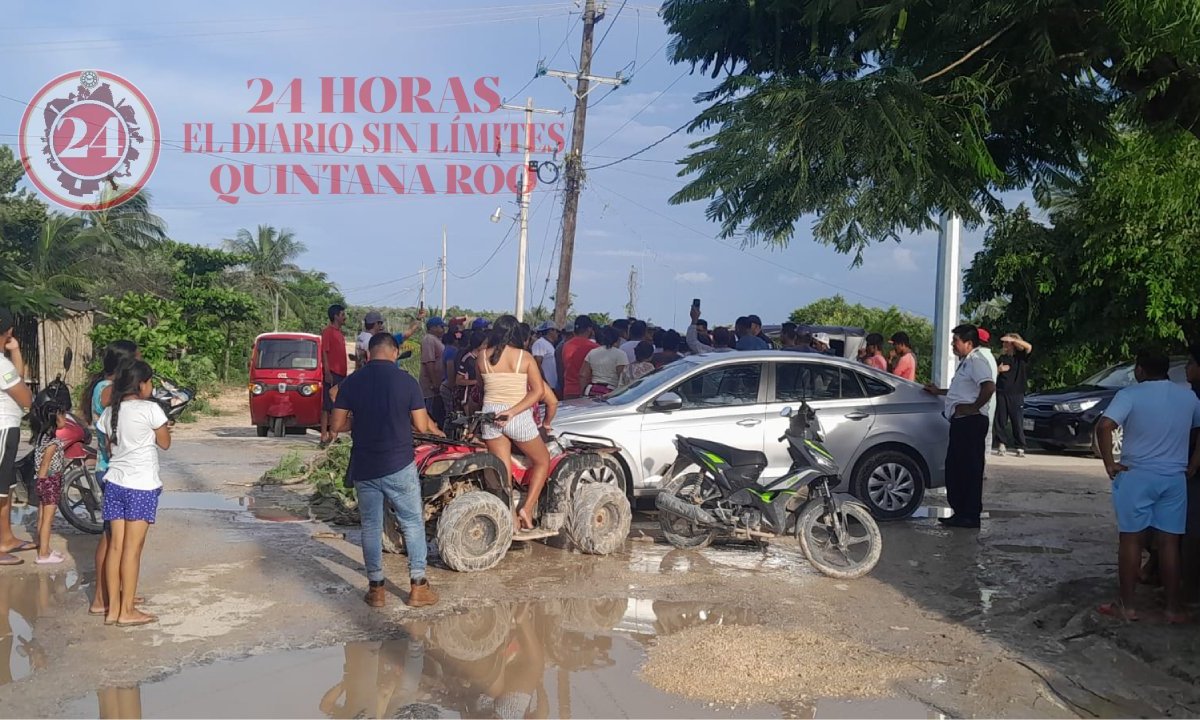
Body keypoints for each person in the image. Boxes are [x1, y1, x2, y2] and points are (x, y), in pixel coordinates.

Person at [331, 333, 444, 609]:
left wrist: (359, 421)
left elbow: (337, 425)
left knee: (370, 526)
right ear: (394, 352)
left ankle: (377, 590)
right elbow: (420, 425)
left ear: (369, 353)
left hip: (366, 466)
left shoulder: (352, 382)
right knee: (412, 522)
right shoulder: (406, 381)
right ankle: (418, 587)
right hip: (399, 465)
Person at [1094, 349, 1199, 623]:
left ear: (1140, 370)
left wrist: (1109, 463)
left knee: (1131, 539)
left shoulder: (1130, 395)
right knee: (1170, 543)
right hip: (1174, 478)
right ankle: (1173, 609)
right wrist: (1194, 464)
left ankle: (1127, 606)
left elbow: (1104, 426)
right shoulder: (1187, 396)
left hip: (1137, 474)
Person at [99, 360, 170, 627]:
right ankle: (127, 610)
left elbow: (108, 448)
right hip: (141, 486)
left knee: (116, 547)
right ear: (141, 384)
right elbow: (165, 443)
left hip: (114, 483)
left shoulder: (110, 412)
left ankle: (113, 609)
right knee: (133, 549)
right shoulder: (151, 409)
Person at [82, 339, 141, 613]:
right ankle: (100, 598)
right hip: (111, 469)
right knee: (110, 538)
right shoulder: (107, 390)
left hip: (114, 468)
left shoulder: (104, 387)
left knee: (115, 537)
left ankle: (115, 592)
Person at [479, 316, 552, 531]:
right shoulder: (525, 357)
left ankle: (510, 517)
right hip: (517, 415)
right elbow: (538, 392)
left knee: (503, 471)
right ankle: (527, 509)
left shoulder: (482, 357)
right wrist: (512, 411)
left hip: (490, 416)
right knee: (542, 460)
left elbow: (481, 391)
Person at [923, 325, 996, 529]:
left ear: (968, 343)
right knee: (956, 468)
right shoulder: (965, 363)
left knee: (969, 469)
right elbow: (962, 391)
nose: (953, 345)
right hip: (960, 421)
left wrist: (973, 407)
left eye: (956, 341)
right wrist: (939, 392)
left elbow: (989, 387)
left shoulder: (976, 361)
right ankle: (960, 512)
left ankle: (970, 514)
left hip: (971, 422)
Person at [0, 309, 35, 566]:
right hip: (2, 429)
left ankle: (6, 538)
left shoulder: (4, 362)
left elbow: (16, 379)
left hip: (7, 428)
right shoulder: (0, 365)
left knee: (6, 488)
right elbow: (25, 396)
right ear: (9, 331)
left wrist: (16, 351)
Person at [31, 400, 69, 565]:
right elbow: (46, 464)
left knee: (41, 516)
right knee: (48, 519)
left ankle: (42, 545)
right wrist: (43, 481)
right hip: (49, 480)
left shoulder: (41, 437)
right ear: (54, 419)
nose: (66, 419)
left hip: (42, 481)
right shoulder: (52, 443)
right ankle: (44, 554)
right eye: (63, 416)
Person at [993, 333, 1034, 457]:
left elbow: (1029, 347)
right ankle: (1001, 443)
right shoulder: (1002, 358)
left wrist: (1014, 339)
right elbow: (993, 372)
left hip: (1016, 393)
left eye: (1007, 342)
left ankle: (1020, 446)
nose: (1004, 344)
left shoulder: (1020, 357)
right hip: (1001, 392)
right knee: (1000, 419)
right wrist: (999, 370)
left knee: (1017, 420)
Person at [321, 304, 349, 446]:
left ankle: (334, 434)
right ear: (336, 316)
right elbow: (324, 352)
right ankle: (324, 436)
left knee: (337, 405)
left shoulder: (340, 333)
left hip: (341, 374)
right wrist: (327, 371)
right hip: (332, 373)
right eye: (342, 314)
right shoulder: (328, 332)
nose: (345, 317)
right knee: (327, 405)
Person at [580, 327, 627, 398]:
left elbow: (583, 375)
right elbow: (623, 377)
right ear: (617, 340)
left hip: (592, 391)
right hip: (611, 392)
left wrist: (582, 392)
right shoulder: (620, 354)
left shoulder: (592, 352)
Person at [561, 316, 598, 400]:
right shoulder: (594, 347)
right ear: (589, 329)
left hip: (568, 389)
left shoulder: (566, 345)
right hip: (584, 390)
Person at [420, 317, 448, 427]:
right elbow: (429, 362)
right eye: (441, 327)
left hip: (437, 386)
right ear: (433, 328)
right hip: (430, 388)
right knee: (432, 416)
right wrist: (434, 383)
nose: (443, 330)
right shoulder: (429, 339)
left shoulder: (436, 340)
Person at [531, 322, 559, 395]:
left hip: (551, 386)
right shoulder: (540, 343)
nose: (557, 334)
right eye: (556, 331)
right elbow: (537, 365)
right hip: (545, 387)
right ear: (550, 331)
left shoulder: (548, 344)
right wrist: (545, 383)